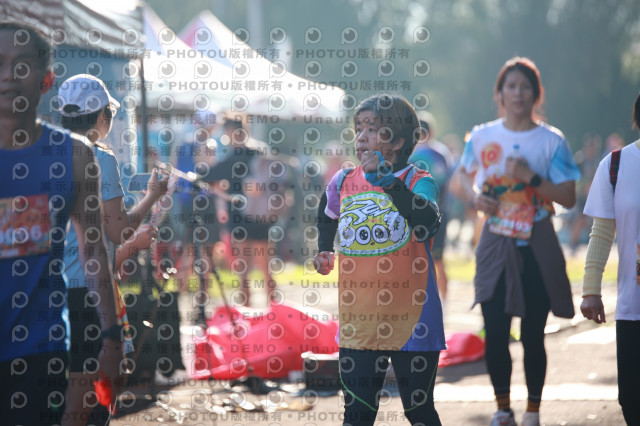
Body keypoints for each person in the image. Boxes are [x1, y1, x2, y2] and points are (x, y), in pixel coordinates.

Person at [0, 22, 122, 425]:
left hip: (42, 350)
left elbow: (94, 249)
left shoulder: (74, 156)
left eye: (22, 65)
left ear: (47, 80)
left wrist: (112, 337)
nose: (8, 75)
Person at [455, 57, 580, 426]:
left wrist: (530, 177)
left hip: (537, 242)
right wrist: (475, 197)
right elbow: (462, 176)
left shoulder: (551, 140)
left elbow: (569, 196)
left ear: (536, 94)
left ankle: (533, 411)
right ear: (500, 93)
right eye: (511, 86)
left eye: (525, 86)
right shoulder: (482, 136)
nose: (518, 93)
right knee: (495, 330)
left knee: (532, 334)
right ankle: (502, 409)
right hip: (495, 241)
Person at [314, 94, 445, 426]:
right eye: (358, 128)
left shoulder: (418, 180)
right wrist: (324, 248)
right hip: (359, 322)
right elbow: (326, 212)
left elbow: (427, 221)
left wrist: (388, 182)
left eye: (372, 129)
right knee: (357, 416)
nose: (361, 137)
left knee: (419, 411)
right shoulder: (343, 181)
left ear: (398, 141)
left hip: (414, 320)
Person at [58, 74, 167, 425]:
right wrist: (152, 196)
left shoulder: (46, 153)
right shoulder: (100, 158)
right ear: (102, 115)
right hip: (88, 293)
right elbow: (119, 230)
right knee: (88, 399)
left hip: (46, 292)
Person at [580, 93, 640, 425]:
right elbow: (602, 233)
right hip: (634, 306)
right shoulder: (616, 165)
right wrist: (591, 290)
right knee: (632, 400)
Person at [204, 112, 286, 307]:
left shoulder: (233, 158)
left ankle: (246, 316)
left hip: (239, 219)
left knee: (243, 272)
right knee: (266, 270)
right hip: (262, 218)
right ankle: (277, 314)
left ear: (231, 132)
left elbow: (206, 176)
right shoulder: (260, 153)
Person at [409, 111, 454, 302]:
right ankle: (443, 303)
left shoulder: (411, 154)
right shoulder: (441, 153)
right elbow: (449, 181)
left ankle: (424, 302)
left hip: (417, 213)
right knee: (438, 259)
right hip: (439, 210)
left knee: (417, 260)